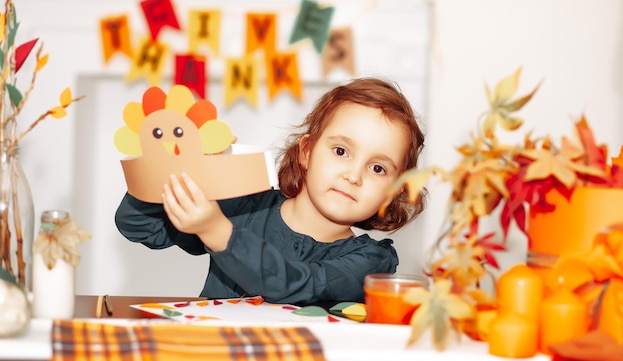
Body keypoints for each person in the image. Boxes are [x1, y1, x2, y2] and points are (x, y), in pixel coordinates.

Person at [115, 77, 426, 305]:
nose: (354, 175)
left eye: (378, 168)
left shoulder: (370, 263)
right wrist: (179, 169)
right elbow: (138, 225)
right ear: (306, 152)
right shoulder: (245, 208)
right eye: (341, 151)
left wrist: (217, 230)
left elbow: (296, 285)